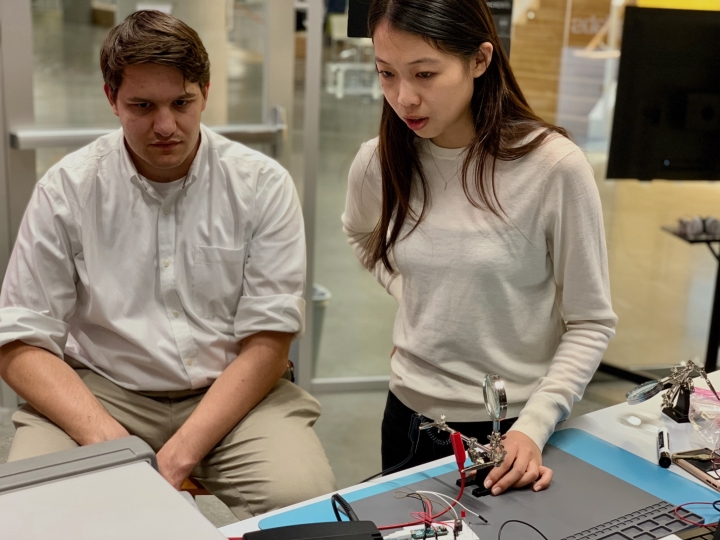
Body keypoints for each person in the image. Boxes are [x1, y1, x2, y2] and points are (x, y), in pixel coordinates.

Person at [0, 10, 335, 519]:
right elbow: (20, 341)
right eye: (142, 105)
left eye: (182, 103)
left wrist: (175, 458)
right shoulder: (68, 190)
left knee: (303, 505)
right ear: (111, 98)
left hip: (233, 393)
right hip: (103, 390)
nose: (165, 125)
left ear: (205, 90)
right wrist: (105, 437)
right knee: (29, 511)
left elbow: (269, 343)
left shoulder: (261, 185)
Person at [342, 0, 617, 496]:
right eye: (386, 74)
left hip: (513, 432)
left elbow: (591, 320)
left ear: (480, 60)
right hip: (408, 417)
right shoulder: (379, 161)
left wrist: (533, 428)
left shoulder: (553, 168)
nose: (404, 98)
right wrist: (413, 293)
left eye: (425, 73)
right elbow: (361, 234)